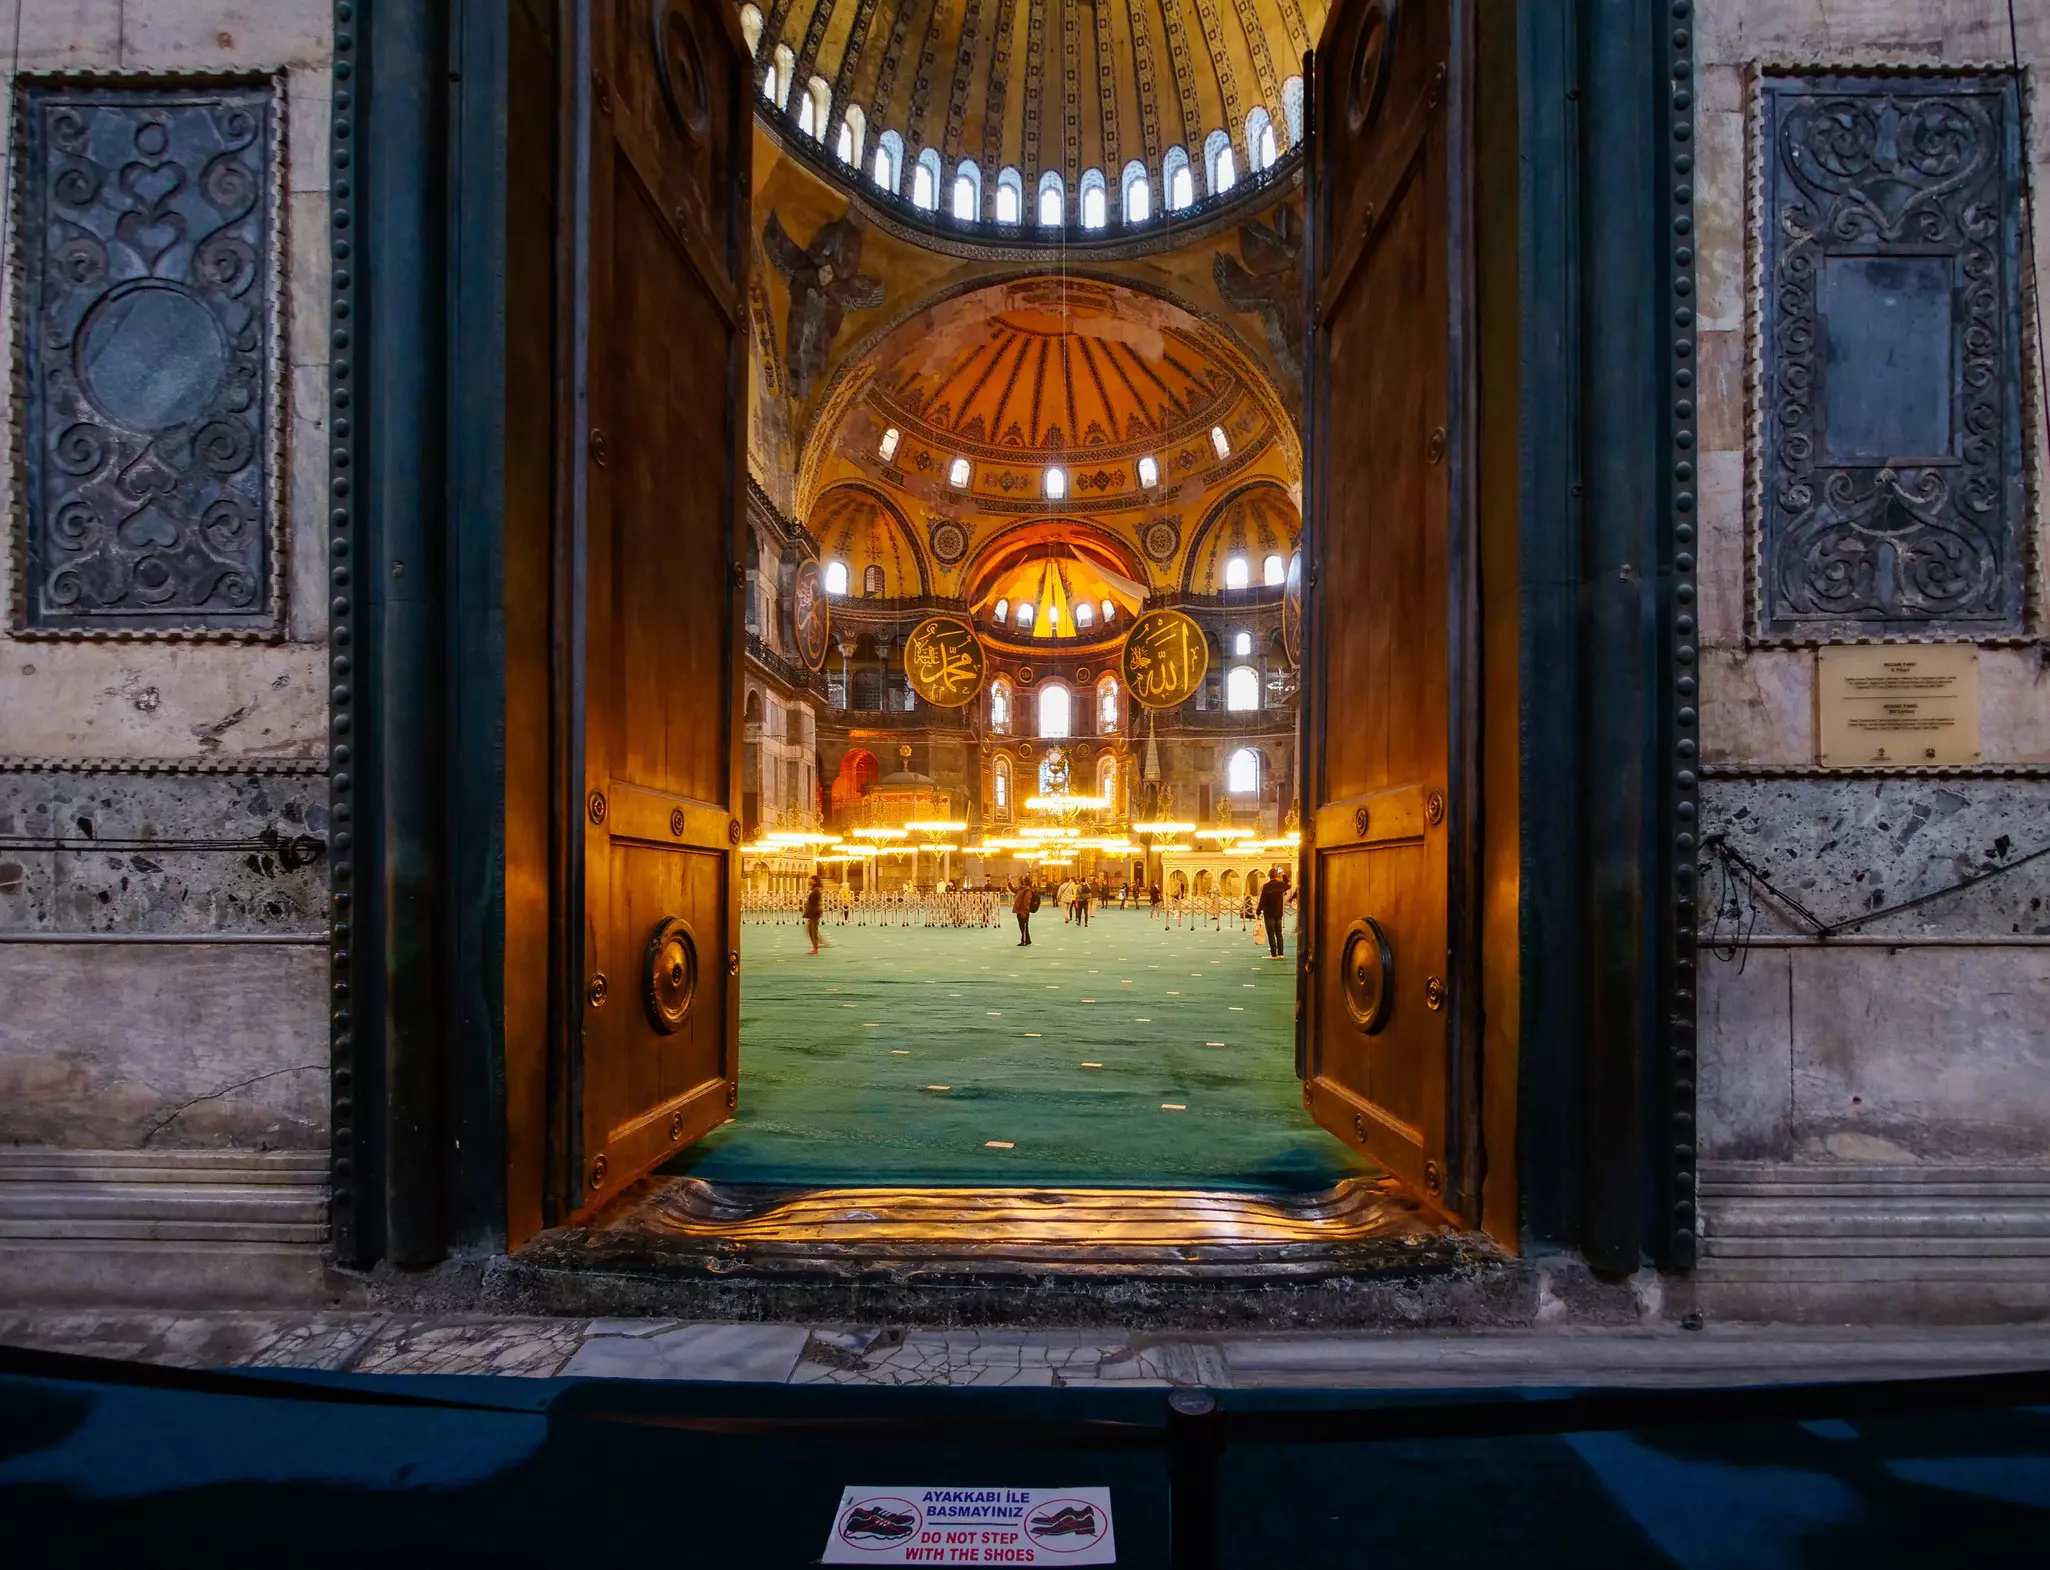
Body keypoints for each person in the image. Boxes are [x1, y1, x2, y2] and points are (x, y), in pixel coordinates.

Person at [1257, 865, 1288, 960]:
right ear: (1277, 875)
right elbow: (1288, 885)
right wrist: (1283, 875)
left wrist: (1258, 911)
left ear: (1268, 876)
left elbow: (1262, 900)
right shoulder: (1281, 884)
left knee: (1271, 934)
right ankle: (1281, 953)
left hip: (1269, 913)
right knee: (1279, 933)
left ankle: (1273, 954)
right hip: (1278, 913)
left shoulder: (1266, 886)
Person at [804, 873, 826, 954]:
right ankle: (817, 945)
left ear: (815, 881)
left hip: (814, 913)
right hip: (812, 912)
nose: (810, 881)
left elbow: (816, 902)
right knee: (810, 930)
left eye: (811, 879)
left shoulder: (816, 890)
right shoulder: (814, 890)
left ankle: (815, 948)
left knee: (813, 931)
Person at [1012, 876, 1035, 946]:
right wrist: (1009, 883)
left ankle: (1024, 940)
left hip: (1023, 911)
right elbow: (1013, 890)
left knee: (1023, 926)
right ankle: (1027, 940)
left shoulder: (1027, 891)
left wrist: (1024, 912)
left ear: (1025, 882)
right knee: (1022, 926)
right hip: (1020, 910)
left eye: (1022, 880)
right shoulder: (1021, 889)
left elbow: (1027, 902)